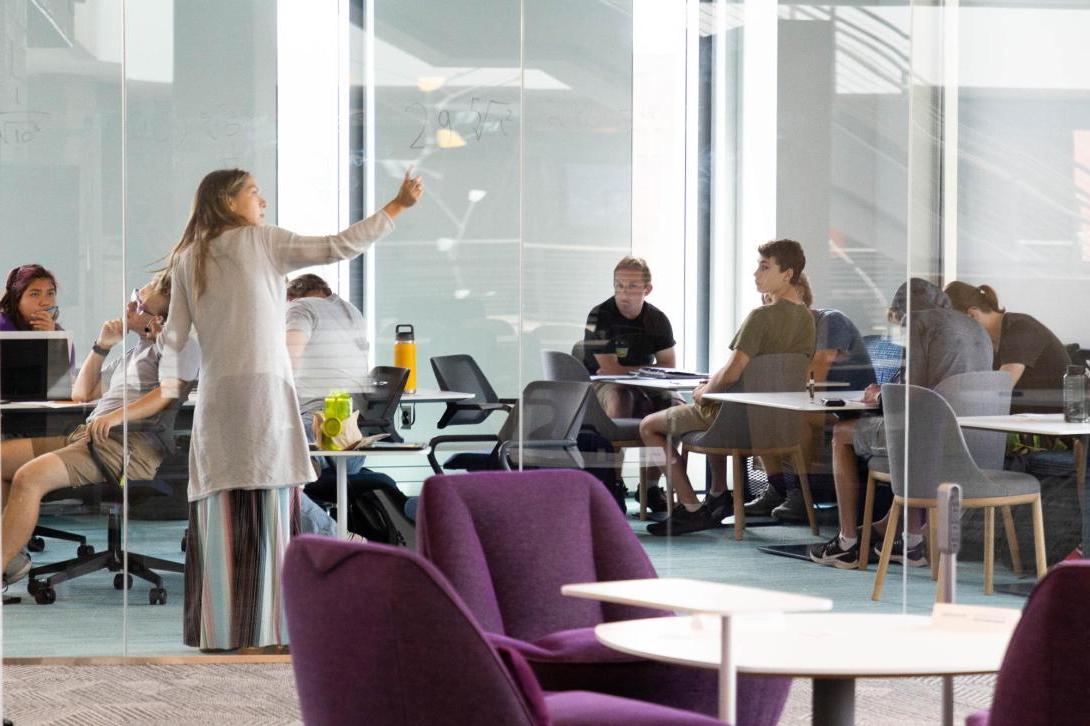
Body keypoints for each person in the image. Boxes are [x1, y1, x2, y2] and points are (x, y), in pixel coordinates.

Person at [159, 167, 422, 651]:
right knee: (271, 508)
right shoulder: (261, 241)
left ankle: (221, 632)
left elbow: (174, 340)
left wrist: (166, 391)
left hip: (217, 398)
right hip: (262, 396)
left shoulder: (188, 257)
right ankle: (271, 632)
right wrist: (397, 206)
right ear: (228, 201)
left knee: (222, 508)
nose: (262, 200)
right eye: (254, 193)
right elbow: (338, 246)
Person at [0, 273, 199, 587]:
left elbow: (166, 393)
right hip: (90, 438)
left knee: (29, 476)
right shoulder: (133, 355)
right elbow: (81, 392)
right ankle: (11, 556)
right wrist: (102, 346)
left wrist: (117, 416)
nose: (129, 305)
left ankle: (2, 563)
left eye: (138, 303)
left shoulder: (179, 346)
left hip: (126, 446)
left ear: (157, 319)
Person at [809, 278, 992, 569]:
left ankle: (847, 543)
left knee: (842, 433)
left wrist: (883, 392)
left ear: (898, 313)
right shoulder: (976, 327)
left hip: (931, 439)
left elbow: (913, 392)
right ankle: (905, 538)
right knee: (910, 441)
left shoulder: (920, 322)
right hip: (975, 442)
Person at [639, 239, 815, 536]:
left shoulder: (761, 317)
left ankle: (691, 507)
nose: (756, 273)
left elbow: (732, 371)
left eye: (764, 267)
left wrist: (705, 390)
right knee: (710, 406)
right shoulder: (807, 320)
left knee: (649, 426)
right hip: (773, 421)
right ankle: (718, 494)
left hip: (739, 420)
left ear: (788, 273)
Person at [746, 272, 876, 522]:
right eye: (768, 301)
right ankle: (778, 489)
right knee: (759, 412)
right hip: (821, 405)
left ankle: (800, 495)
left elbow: (817, 371)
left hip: (851, 410)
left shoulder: (830, 321)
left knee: (801, 415)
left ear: (800, 294)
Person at [285, 273, 405, 540]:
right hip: (354, 441)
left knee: (269, 477)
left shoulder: (300, 308)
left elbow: (285, 362)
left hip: (322, 433)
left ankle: (334, 537)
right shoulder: (352, 311)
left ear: (290, 297)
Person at [583, 257, 678, 509]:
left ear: (647, 289)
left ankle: (649, 487)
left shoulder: (657, 319)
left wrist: (635, 372)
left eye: (632, 286)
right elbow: (610, 369)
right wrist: (644, 370)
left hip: (646, 384)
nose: (624, 293)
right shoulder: (598, 316)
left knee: (674, 407)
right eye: (619, 285)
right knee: (620, 398)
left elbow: (668, 364)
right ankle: (613, 483)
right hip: (603, 384)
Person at [944, 281, 1069, 413]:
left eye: (954, 325)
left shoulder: (1021, 328)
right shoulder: (988, 342)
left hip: (1054, 422)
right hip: (1027, 420)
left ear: (971, 315)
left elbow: (1000, 388)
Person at [0, 264, 61, 331]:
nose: (45, 302)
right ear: (16, 299)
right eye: (35, 294)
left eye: (50, 294)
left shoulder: (55, 330)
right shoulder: (2, 327)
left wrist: (52, 335)